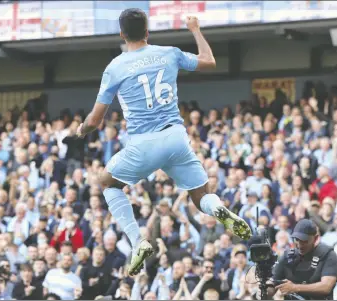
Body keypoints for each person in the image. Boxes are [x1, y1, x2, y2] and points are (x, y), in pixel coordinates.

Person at [75, 8, 251, 276]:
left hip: (144, 143)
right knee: (200, 194)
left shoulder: (115, 67)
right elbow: (208, 61)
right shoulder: (169, 52)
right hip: (176, 137)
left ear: (122, 34)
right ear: (147, 32)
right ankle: (219, 209)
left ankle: (138, 242)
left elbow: (96, 120)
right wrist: (194, 28)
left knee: (106, 183)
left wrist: (82, 129)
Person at [268, 219, 337, 300]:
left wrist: (295, 288)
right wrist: (264, 289)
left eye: (304, 241)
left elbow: (326, 287)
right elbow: (273, 285)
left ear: (315, 239)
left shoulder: (328, 255)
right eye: (297, 240)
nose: (300, 245)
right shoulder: (288, 256)